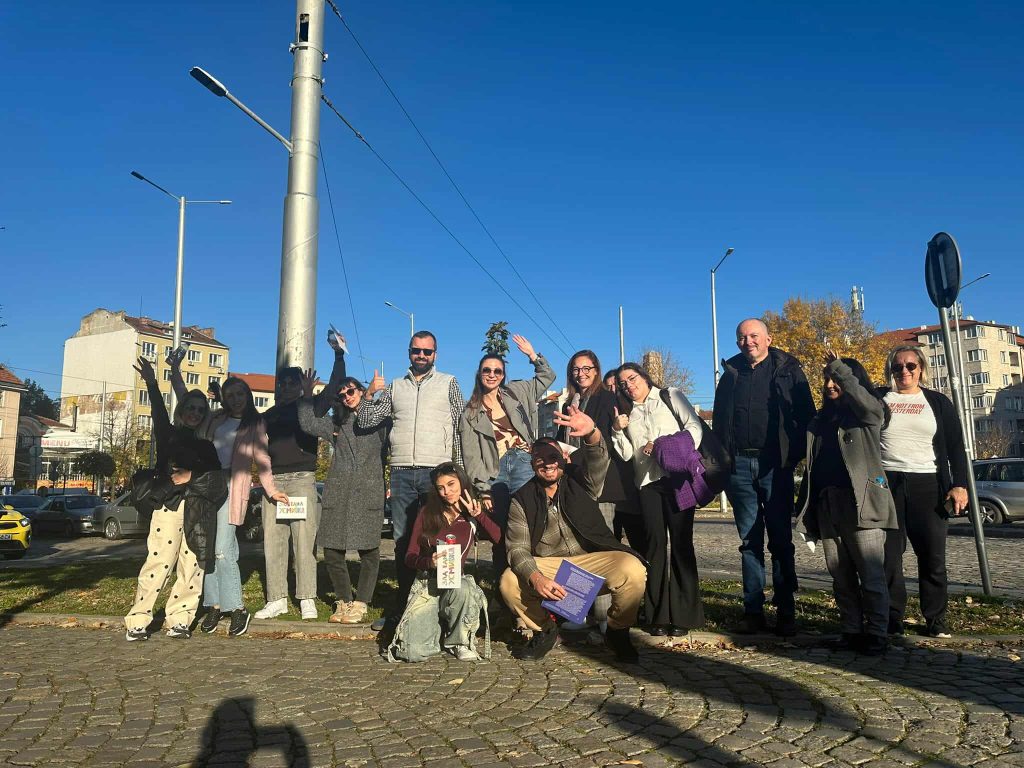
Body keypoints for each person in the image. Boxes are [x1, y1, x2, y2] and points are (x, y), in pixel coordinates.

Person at [500, 406, 647, 662]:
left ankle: (617, 631)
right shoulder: (521, 499)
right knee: (509, 581)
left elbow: (598, 460)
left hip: (591, 560)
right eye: (540, 459)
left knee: (633, 568)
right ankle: (544, 630)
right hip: (552, 567)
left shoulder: (582, 481)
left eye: (553, 456)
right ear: (532, 464)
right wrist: (536, 578)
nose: (548, 463)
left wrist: (591, 433)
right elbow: (517, 549)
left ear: (564, 459)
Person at [712, 318, 815, 636]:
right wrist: (724, 460)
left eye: (754, 336)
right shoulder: (730, 374)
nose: (748, 342)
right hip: (739, 467)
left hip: (776, 466)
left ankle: (786, 611)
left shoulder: (788, 370)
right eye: (742, 337)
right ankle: (753, 611)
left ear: (768, 339)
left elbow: (806, 415)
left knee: (781, 541)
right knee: (749, 542)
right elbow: (719, 421)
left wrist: (792, 456)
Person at [172, 365, 288, 637]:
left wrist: (272, 490)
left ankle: (237, 607)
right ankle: (214, 604)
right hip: (207, 485)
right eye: (230, 395)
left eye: (240, 394)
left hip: (232, 487)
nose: (236, 399)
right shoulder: (216, 418)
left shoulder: (255, 423)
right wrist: (175, 372)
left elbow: (262, 459)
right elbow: (187, 402)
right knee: (210, 548)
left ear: (247, 395)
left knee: (223, 548)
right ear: (224, 398)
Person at [358, 331, 465, 623]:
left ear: (435, 354)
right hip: (402, 471)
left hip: (436, 472)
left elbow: (461, 428)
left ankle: (444, 606)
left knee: (442, 537)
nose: (421, 355)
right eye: (416, 350)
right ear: (409, 352)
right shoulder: (395, 386)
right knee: (403, 540)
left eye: (427, 351)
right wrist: (369, 393)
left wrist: (457, 473)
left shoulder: (449, 383)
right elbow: (365, 420)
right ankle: (404, 605)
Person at [795, 350, 897, 655]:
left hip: (862, 502)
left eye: (835, 379)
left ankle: (877, 633)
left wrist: (839, 367)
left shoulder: (867, 415)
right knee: (840, 575)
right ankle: (851, 630)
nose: (830, 384)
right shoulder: (819, 421)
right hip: (828, 503)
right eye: (826, 379)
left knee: (871, 573)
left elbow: (867, 403)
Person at [124, 357, 222, 641]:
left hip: (198, 510)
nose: (195, 413)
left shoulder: (207, 447)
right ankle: (138, 620)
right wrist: (152, 382)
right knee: (159, 563)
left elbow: (217, 481)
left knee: (192, 567)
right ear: (182, 410)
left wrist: (190, 476)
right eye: (191, 408)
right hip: (169, 507)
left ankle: (180, 619)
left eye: (200, 410)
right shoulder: (168, 435)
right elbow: (157, 410)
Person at [254, 332, 348, 621]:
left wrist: (339, 355)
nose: (285, 388)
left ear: (301, 385)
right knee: (274, 543)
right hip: (274, 484)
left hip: (301, 480)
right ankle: (277, 599)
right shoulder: (268, 415)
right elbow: (259, 449)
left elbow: (334, 388)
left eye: (291, 383)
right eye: (281, 384)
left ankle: (307, 597)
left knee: (305, 543)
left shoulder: (310, 407)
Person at [879, 345, 969, 639]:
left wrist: (960, 485)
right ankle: (892, 617)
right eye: (897, 366)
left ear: (921, 369)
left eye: (910, 366)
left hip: (928, 484)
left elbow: (956, 447)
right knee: (889, 556)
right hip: (887, 484)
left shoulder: (937, 402)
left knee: (932, 556)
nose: (904, 371)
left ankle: (935, 619)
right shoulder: (879, 398)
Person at [611, 362, 705, 637]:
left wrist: (666, 445)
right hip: (648, 484)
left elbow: (695, 428)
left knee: (681, 545)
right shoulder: (628, 413)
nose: (629, 385)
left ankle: (684, 616)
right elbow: (626, 454)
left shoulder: (670, 396)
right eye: (623, 383)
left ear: (644, 377)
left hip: (678, 479)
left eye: (632, 378)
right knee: (654, 546)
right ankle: (657, 616)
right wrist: (617, 430)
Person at [459, 334, 555, 573]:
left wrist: (532, 355)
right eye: (487, 370)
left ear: (503, 375)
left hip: (524, 462)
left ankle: (532, 579)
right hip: (496, 470)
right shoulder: (470, 413)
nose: (492, 375)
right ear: (479, 374)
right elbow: (471, 457)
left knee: (531, 522)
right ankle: (503, 583)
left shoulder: (516, 392)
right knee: (501, 531)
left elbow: (547, 377)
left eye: (497, 371)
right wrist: (483, 489)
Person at [386, 463, 500, 662]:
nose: (446, 492)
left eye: (451, 484)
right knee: (412, 652)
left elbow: (499, 538)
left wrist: (479, 515)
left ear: (462, 482)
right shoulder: (427, 512)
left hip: (455, 584)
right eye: (441, 487)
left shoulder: (471, 514)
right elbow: (409, 556)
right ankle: (437, 628)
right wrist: (428, 562)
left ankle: (459, 641)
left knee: (464, 588)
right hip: (427, 583)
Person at [298, 372, 388, 624]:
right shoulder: (337, 423)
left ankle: (361, 603)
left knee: (369, 551)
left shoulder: (381, 420)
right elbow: (308, 424)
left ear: (361, 390)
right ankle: (344, 600)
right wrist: (307, 395)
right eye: (342, 395)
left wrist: (371, 396)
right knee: (332, 550)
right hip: (339, 491)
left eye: (351, 391)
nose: (347, 397)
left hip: (369, 491)